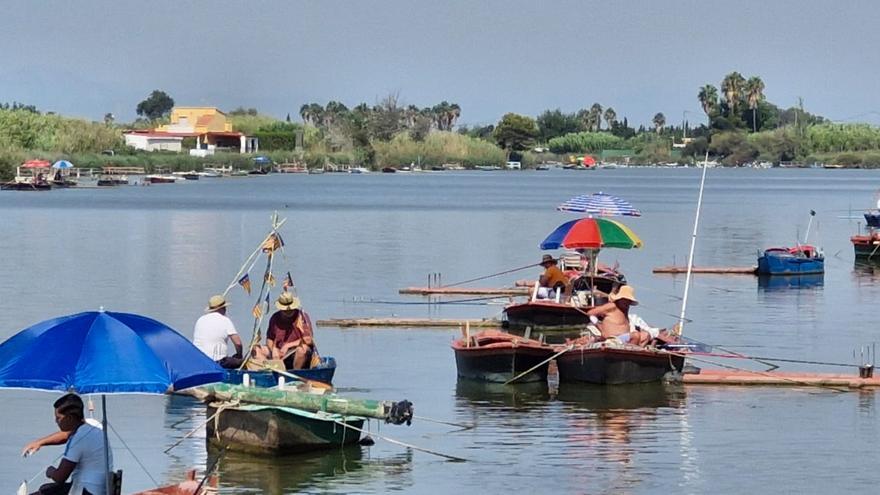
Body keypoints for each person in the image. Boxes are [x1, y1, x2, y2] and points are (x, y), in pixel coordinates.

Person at [25, 393, 112, 495]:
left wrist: (50, 471)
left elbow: (60, 477)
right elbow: (66, 435)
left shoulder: (79, 440)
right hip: (98, 488)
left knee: (44, 491)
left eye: (58, 418)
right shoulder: (93, 426)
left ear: (69, 418)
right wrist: (39, 442)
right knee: (46, 489)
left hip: (86, 491)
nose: (56, 421)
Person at [253, 292, 316, 369]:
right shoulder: (275, 317)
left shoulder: (302, 316)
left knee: (302, 349)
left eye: (290, 310)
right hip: (278, 352)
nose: (288, 311)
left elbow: (309, 339)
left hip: (295, 351)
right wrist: (273, 350)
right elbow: (270, 338)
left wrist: (288, 345)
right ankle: (268, 370)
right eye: (285, 310)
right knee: (256, 349)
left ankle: (296, 372)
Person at [193, 295, 244, 369]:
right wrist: (239, 355)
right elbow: (238, 343)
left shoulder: (200, 320)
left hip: (199, 360)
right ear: (222, 308)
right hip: (217, 362)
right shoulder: (225, 320)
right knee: (243, 362)